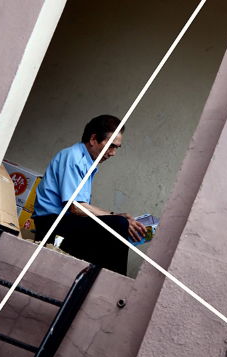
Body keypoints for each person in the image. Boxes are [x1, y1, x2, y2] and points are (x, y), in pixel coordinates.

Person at [32, 114, 146, 275]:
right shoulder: (74, 158)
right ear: (93, 139)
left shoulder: (86, 162)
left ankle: (105, 278)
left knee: (117, 227)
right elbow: (75, 207)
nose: (113, 153)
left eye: (117, 148)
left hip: (66, 222)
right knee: (119, 224)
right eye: (111, 146)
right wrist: (115, 217)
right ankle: (114, 281)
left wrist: (114, 217)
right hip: (51, 223)